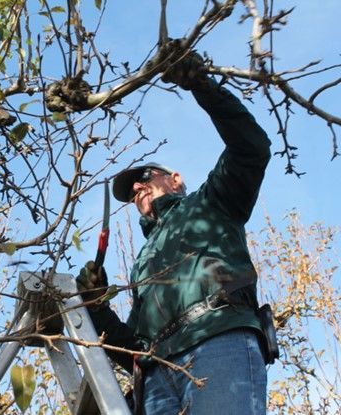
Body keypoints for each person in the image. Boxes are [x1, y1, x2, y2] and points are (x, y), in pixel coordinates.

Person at [77, 48, 273, 415]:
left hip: (218, 340)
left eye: (143, 178)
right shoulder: (143, 264)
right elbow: (132, 346)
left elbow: (251, 148)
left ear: (176, 179)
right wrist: (95, 304)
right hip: (156, 374)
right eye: (131, 190)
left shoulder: (211, 202)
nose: (136, 188)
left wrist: (200, 84)